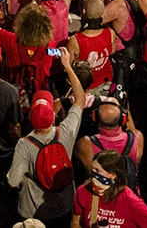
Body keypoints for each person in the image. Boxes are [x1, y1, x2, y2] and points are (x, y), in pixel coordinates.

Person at [8, 46, 87, 223]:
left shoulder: (24, 144)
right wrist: (67, 66)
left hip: (33, 212)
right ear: (53, 115)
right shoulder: (65, 131)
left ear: (30, 116)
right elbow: (80, 99)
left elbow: (13, 181)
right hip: (64, 206)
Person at [74, 150, 147, 228]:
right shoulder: (83, 192)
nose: (93, 174)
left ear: (113, 175)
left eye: (97, 171)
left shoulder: (129, 200)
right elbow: (75, 223)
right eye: (92, 169)